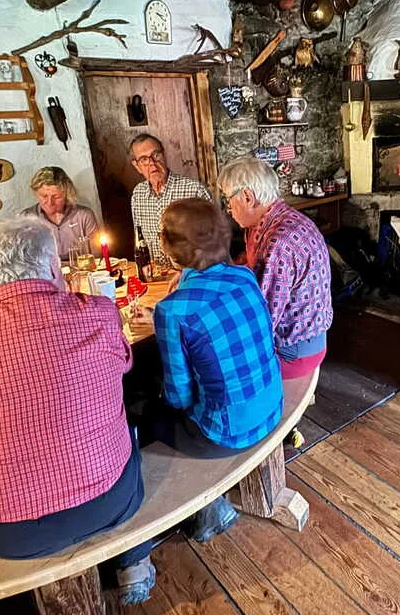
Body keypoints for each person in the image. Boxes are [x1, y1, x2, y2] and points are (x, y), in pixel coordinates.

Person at [0, 217, 155, 605]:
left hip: (9, 534)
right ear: (53, 266)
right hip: (111, 503)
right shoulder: (99, 312)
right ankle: (134, 559)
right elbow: (124, 365)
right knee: (129, 423)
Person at [129, 199, 284, 541]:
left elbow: (178, 397)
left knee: (136, 410)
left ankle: (194, 512)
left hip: (225, 434)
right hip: (272, 406)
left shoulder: (171, 311)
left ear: (170, 247)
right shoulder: (244, 276)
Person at [218, 159, 333, 379]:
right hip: (299, 338)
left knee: (213, 360)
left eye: (228, 200)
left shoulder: (279, 241)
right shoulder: (267, 221)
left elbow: (263, 318)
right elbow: (248, 269)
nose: (228, 208)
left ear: (248, 197)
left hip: (295, 351)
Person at [129, 134, 211, 271]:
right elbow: (139, 238)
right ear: (137, 166)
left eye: (156, 155)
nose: (152, 163)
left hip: (193, 275)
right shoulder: (138, 195)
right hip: (158, 276)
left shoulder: (194, 190)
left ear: (164, 155)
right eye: (144, 159)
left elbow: (214, 242)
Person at [20, 166, 100, 255]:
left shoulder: (83, 215)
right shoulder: (26, 218)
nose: (50, 203)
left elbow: (97, 255)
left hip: (82, 267)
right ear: (36, 194)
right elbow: (23, 259)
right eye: (44, 196)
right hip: (45, 268)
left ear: (67, 194)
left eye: (56, 197)